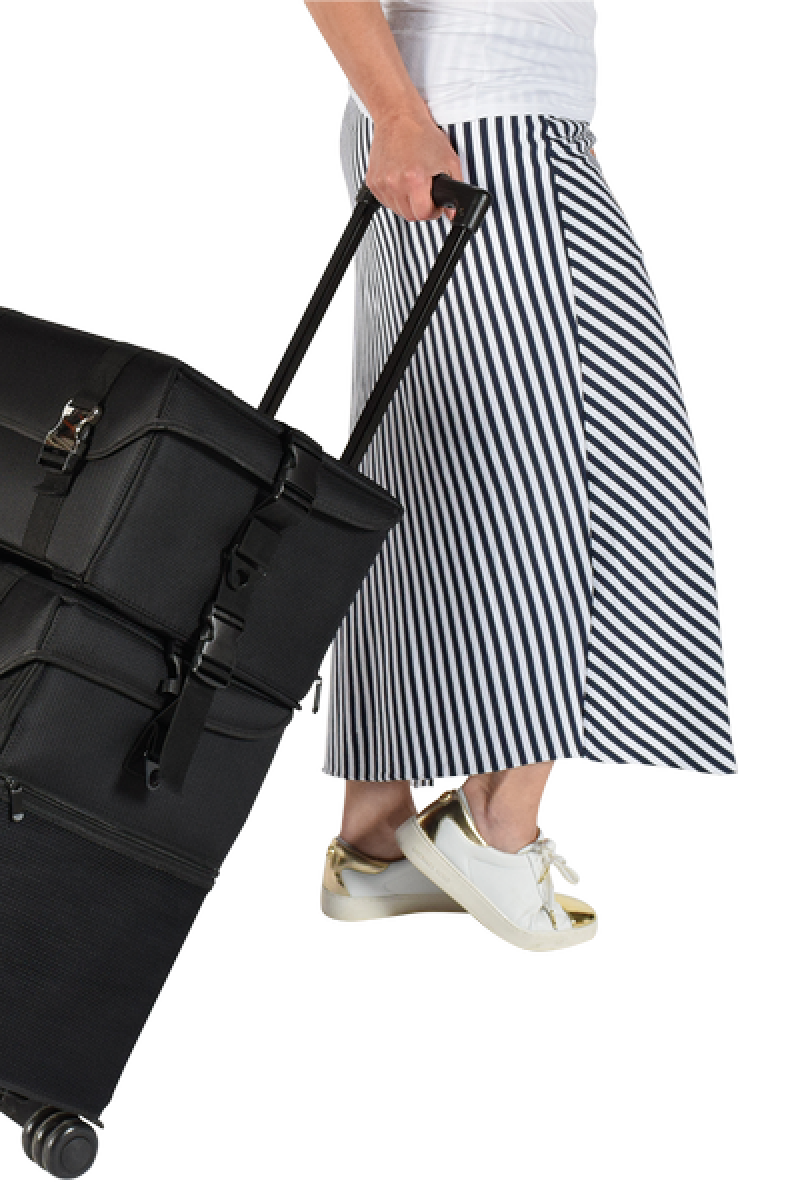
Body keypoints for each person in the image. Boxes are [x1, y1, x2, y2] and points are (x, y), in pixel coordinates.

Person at [305, 0, 739, 952]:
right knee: (607, 477)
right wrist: (402, 116)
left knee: (426, 486)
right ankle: (496, 828)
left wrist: (399, 116)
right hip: (487, 136)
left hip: (450, 128)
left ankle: (374, 842)